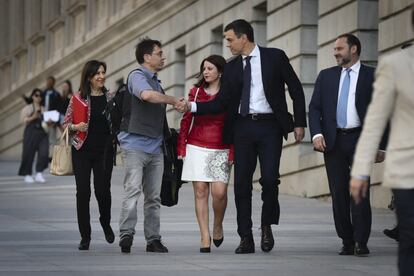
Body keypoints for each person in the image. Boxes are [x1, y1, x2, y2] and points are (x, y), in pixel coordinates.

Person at [180, 19, 306, 254]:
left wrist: (300, 123)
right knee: (241, 185)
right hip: (242, 128)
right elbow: (221, 102)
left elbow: (296, 89)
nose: (227, 44)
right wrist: (192, 107)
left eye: (229, 39)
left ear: (243, 38)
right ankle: (245, 236)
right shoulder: (232, 67)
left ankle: (266, 225)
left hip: (270, 126)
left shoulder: (275, 57)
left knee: (269, 180)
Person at [308, 33, 387, 256]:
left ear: (354, 49)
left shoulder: (373, 75)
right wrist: (316, 134)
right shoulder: (326, 76)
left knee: (359, 191)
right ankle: (347, 239)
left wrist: (381, 145)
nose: (335, 53)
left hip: (361, 140)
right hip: (333, 142)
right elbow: (314, 109)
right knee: (339, 192)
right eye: (334, 49)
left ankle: (361, 241)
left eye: (339, 49)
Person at [350, 6, 414, 275]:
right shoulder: (396, 64)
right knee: (410, 240)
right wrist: (360, 171)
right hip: (408, 169)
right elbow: (374, 120)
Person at [117, 38, 183, 254]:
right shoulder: (137, 76)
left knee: (153, 197)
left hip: (156, 148)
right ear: (147, 57)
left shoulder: (157, 81)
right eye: (159, 53)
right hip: (134, 145)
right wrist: (172, 100)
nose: (163, 57)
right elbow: (145, 95)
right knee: (133, 190)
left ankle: (153, 239)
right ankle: (126, 234)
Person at [177, 55, 233, 253]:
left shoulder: (228, 93)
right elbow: (186, 120)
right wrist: (181, 146)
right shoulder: (196, 92)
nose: (206, 72)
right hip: (196, 145)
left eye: (210, 68)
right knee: (200, 191)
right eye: (204, 69)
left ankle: (218, 225)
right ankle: (204, 236)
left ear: (220, 71)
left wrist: (233, 150)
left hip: (221, 146)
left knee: (220, 193)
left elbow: (233, 123)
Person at [63, 60, 115, 250]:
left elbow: (117, 123)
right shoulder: (77, 98)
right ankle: (85, 236)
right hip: (82, 151)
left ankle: (105, 222)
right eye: (97, 74)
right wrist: (76, 127)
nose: (101, 76)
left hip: (104, 152)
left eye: (103, 72)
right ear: (89, 77)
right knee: (83, 193)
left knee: (102, 191)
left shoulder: (110, 97)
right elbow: (65, 123)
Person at [18, 88, 49, 183]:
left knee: (44, 153)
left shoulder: (44, 108)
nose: (38, 97)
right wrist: (33, 117)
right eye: (36, 95)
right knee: (28, 153)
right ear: (32, 96)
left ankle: (39, 173)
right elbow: (23, 120)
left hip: (42, 133)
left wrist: (49, 121)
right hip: (31, 132)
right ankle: (27, 174)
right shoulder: (28, 108)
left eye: (40, 95)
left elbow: (47, 122)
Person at [42, 76, 63, 155]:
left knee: (52, 139)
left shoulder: (56, 94)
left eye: (50, 82)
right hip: (44, 118)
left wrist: (54, 119)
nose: (48, 83)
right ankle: (44, 156)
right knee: (44, 139)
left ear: (53, 83)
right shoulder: (43, 93)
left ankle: (53, 157)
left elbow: (59, 108)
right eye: (47, 82)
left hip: (52, 119)